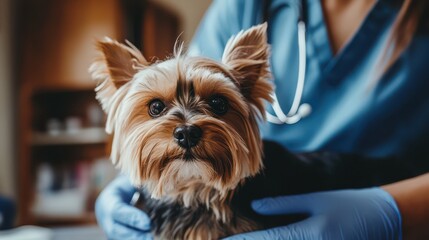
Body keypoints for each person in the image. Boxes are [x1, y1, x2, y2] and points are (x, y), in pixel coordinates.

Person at [95, 0, 429, 239]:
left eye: (216, 104)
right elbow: (190, 72)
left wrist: (394, 212)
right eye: (156, 109)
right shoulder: (245, 6)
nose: (187, 125)